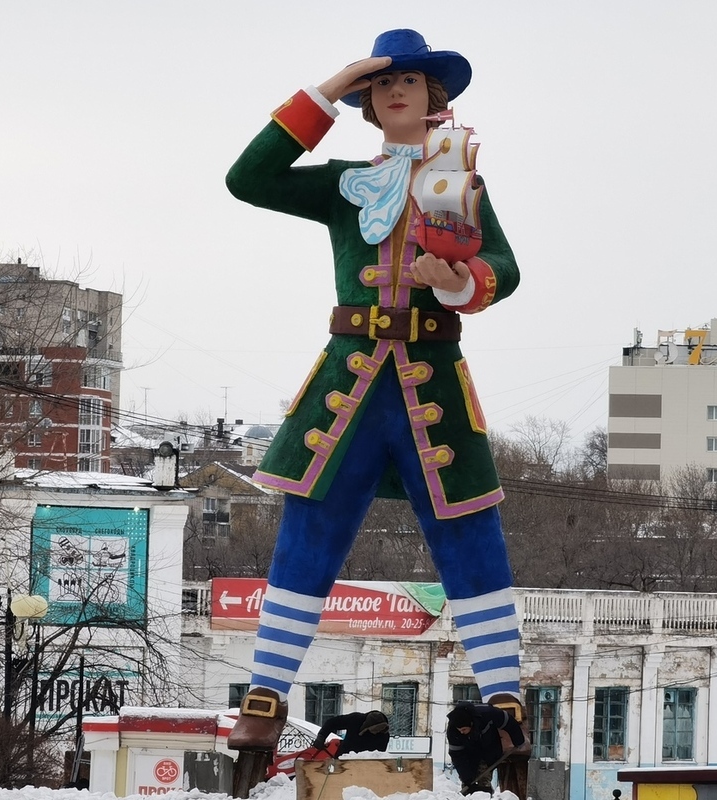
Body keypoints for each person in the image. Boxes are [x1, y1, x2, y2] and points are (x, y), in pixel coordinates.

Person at [225, 27, 524, 754]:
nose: (395, 91)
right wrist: (327, 88)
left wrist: (454, 282)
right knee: (309, 529)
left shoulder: (463, 184)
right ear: (368, 102)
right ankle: (266, 694)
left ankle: (506, 698)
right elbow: (248, 178)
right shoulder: (341, 186)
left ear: (434, 101)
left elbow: (503, 270)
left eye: (410, 83)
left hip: (433, 389)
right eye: (381, 83)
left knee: (469, 533)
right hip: (348, 386)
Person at [445, 703, 529, 795]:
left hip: (489, 750)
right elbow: (457, 755)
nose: (461, 732)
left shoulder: (487, 714)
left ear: (471, 723)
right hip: (467, 755)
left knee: (484, 781)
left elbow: (508, 722)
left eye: (464, 729)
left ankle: (485, 793)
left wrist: (518, 740)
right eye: (459, 730)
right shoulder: (453, 730)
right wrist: (466, 778)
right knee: (468, 785)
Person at [312, 710, 390, 755]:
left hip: (366, 767)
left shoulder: (384, 737)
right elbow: (332, 723)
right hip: (343, 759)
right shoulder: (355, 720)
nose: (376, 733)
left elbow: (378, 756)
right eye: (374, 730)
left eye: (379, 731)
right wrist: (321, 737)